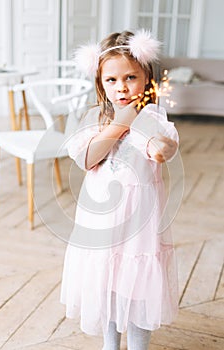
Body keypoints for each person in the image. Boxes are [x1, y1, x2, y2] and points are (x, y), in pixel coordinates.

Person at [60, 29, 179, 350]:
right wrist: (122, 121)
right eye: (111, 80)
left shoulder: (153, 116)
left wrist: (160, 146)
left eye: (130, 77)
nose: (122, 87)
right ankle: (110, 345)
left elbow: (162, 146)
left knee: (139, 283)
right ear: (100, 83)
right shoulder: (93, 118)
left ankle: (139, 345)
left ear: (146, 77)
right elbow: (88, 158)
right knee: (108, 282)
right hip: (101, 218)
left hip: (140, 218)